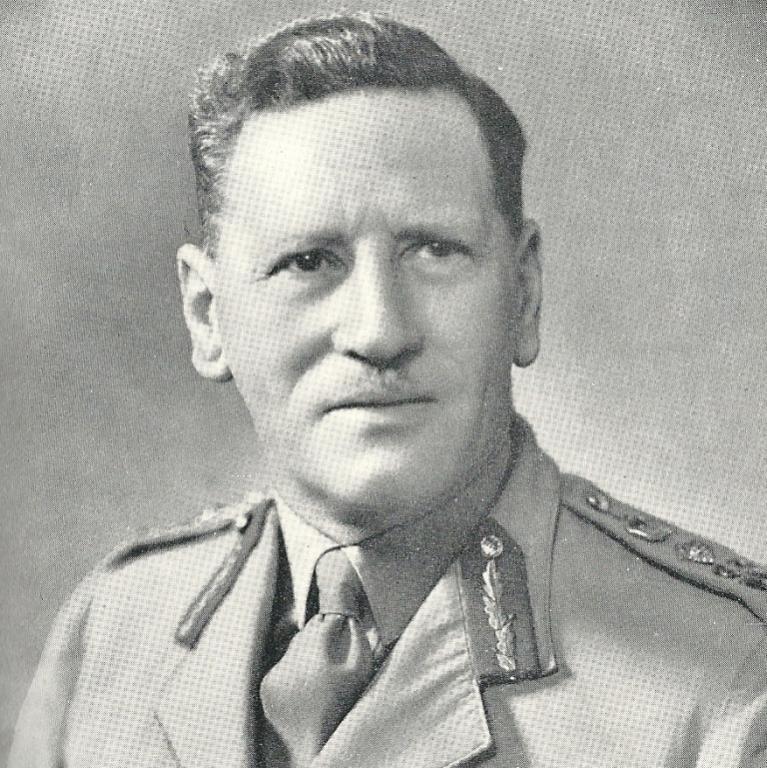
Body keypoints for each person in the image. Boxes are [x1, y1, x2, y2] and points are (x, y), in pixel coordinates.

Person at [9, 12, 767, 768]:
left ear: (524, 293)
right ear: (208, 315)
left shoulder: (729, 680)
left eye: (434, 251)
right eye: (309, 262)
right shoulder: (110, 633)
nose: (379, 330)